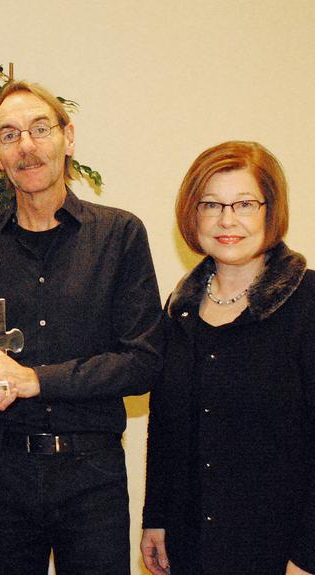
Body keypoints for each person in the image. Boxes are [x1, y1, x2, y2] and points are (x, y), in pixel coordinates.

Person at [0, 81, 162, 575]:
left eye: (41, 129)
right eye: (10, 134)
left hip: (92, 474)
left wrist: (34, 379)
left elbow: (142, 362)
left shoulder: (120, 236)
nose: (27, 145)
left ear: (68, 136)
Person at [141, 141, 315, 575]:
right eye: (211, 204)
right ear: (192, 214)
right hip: (191, 545)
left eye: (244, 204)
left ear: (270, 212)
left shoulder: (307, 303)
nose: (227, 220)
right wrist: (155, 520)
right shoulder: (179, 310)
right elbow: (166, 427)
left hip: (281, 550)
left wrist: (308, 556)